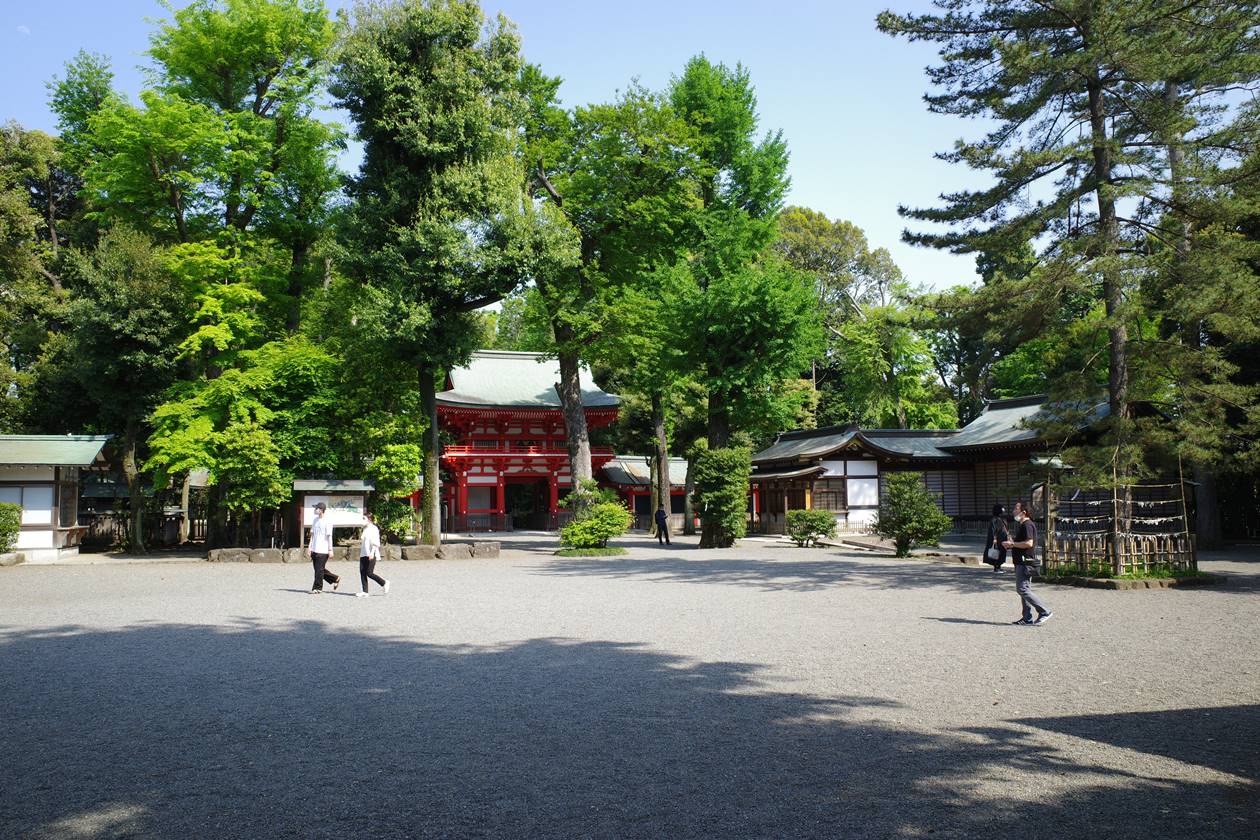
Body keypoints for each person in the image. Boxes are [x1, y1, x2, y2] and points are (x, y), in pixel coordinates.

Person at [1003, 501, 1052, 625]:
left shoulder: (1027, 525)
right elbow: (1023, 543)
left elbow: (1029, 543)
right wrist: (1011, 544)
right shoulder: (1023, 525)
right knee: (1025, 590)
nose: (1013, 511)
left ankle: (1044, 611)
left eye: (1016, 508)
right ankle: (1027, 617)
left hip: (1025, 562)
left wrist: (1013, 544)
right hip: (1021, 561)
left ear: (1023, 512)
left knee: (1022, 589)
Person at [307, 501, 340, 594]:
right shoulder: (315, 520)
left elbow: (329, 537)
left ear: (321, 510)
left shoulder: (328, 521)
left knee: (319, 570)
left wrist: (330, 550)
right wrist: (310, 547)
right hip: (314, 548)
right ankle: (335, 578)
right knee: (319, 569)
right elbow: (312, 535)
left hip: (323, 549)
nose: (315, 510)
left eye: (316, 508)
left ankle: (317, 588)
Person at [356, 512, 390, 598]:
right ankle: (365, 591)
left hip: (372, 553)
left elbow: (375, 542)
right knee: (362, 572)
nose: (362, 521)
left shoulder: (374, 529)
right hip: (363, 553)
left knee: (369, 573)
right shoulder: (365, 529)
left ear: (369, 519)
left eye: (364, 519)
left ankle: (384, 583)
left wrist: (372, 553)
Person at [985, 503, 1009, 572]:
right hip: (997, 540)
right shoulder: (994, 520)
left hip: (1003, 539)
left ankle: (999, 566)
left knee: (1002, 553)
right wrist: (994, 538)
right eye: (1002, 509)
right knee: (997, 553)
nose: (1003, 510)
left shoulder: (1002, 519)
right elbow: (992, 530)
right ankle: (996, 567)